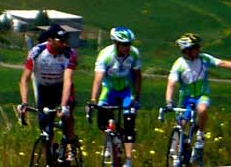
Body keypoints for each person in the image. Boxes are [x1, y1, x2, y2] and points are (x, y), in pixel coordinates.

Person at [164, 33, 231, 160]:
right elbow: (171, 84)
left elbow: (221, 63)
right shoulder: (179, 64)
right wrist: (169, 101)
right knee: (181, 124)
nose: (198, 49)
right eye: (195, 47)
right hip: (186, 98)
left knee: (202, 109)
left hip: (201, 95)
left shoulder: (203, 59)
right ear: (187, 50)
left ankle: (200, 137)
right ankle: (176, 149)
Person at [18, 24, 79, 160]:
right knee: (44, 127)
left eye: (65, 40)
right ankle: (49, 158)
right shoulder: (37, 52)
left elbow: (68, 81)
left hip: (62, 86)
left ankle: (70, 143)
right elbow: (24, 79)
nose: (64, 43)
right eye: (60, 40)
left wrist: (63, 106)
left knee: (66, 114)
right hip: (44, 88)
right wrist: (24, 103)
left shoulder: (69, 53)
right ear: (50, 40)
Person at [89, 26, 142, 167]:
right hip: (109, 90)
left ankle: (129, 160)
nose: (127, 47)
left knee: (129, 121)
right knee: (102, 121)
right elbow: (98, 79)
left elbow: (137, 77)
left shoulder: (134, 54)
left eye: (129, 44)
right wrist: (93, 99)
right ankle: (112, 139)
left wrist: (137, 97)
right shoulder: (105, 55)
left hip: (126, 91)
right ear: (116, 44)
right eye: (124, 45)